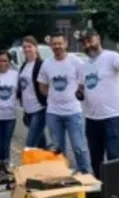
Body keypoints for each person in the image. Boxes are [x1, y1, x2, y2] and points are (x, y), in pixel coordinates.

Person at [80, 30, 119, 177]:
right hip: (92, 118)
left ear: (98, 39)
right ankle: (100, 186)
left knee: (113, 153)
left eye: (90, 40)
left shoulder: (111, 56)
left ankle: (116, 188)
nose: (88, 45)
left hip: (112, 116)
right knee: (95, 156)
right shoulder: (84, 65)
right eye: (84, 43)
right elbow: (82, 86)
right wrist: (79, 93)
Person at [37, 33, 90, 174]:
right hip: (53, 113)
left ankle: (86, 175)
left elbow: (84, 81)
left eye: (59, 43)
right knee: (57, 149)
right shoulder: (47, 64)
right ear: (51, 46)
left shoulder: (76, 62)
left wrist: (78, 92)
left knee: (79, 147)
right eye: (54, 44)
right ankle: (62, 176)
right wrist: (54, 96)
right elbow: (42, 86)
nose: (57, 47)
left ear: (66, 44)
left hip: (73, 112)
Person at [16, 36, 48, 148]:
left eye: (29, 46)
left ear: (35, 48)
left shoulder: (41, 65)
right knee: (41, 144)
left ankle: (28, 164)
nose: (26, 49)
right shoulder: (23, 66)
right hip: (27, 111)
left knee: (30, 145)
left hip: (39, 109)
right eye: (24, 47)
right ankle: (46, 162)